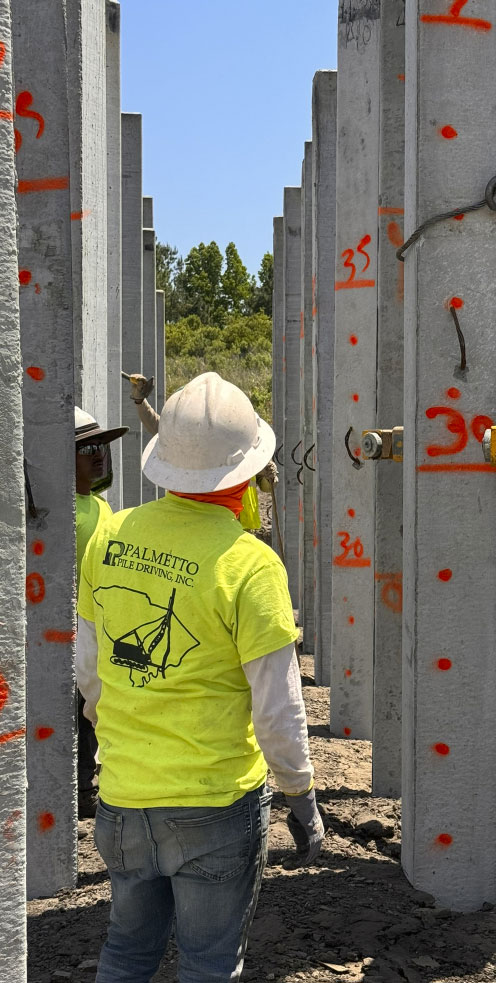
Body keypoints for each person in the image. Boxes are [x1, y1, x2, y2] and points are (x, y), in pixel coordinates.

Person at [76, 372, 323, 983]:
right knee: (210, 962)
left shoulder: (108, 537)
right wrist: (301, 797)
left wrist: (127, 740)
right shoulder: (250, 564)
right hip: (215, 806)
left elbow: (88, 670)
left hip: (124, 801)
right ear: (248, 474)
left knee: (127, 952)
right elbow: (277, 711)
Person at [124, 371, 278, 532]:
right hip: (207, 523)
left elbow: (267, 487)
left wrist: (267, 474)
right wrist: (140, 402)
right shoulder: (199, 437)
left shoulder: (238, 441)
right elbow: (158, 426)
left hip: (238, 525)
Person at [75, 407, 129, 819]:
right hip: (62, 634)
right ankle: (78, 789)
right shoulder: (59, 513)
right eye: (88, 448)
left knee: (91, 713)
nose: (99, 455)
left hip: (95, 630)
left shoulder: (102, 508)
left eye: (103, 447)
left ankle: (89, 783)